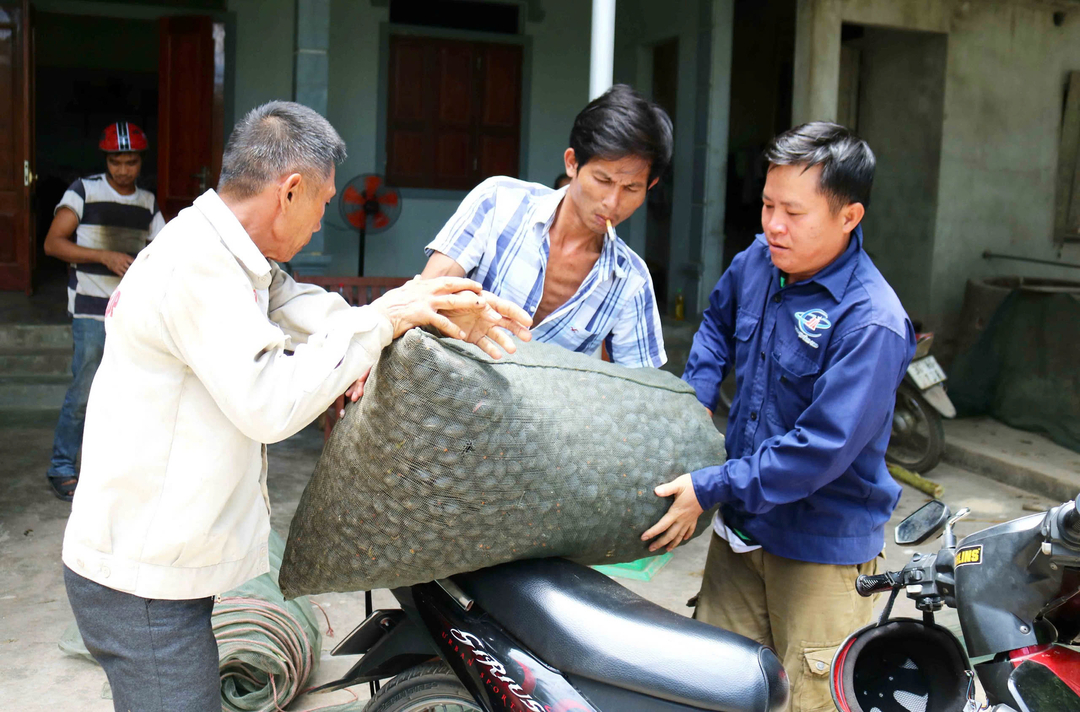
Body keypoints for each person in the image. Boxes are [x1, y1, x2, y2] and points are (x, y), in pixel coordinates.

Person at [61, 101, 532, 712]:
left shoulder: (239, 260)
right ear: (289, 191)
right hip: (139, 580)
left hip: (160, 568)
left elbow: (313, 312)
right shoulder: (196, 265)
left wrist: (413, 312)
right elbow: (270, 404)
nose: (321, 221)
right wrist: (380, 325)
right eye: (324, 201)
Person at [642, 123, 917, 711]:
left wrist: (709, 484)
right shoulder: (759, 262)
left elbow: (816, 450)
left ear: (849, 216)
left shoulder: (870, 322)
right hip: (742, 533)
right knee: (715, 690)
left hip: (820, 551)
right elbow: (716, 323)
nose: (773, 225)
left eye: (793, 211)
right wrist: (695, 401)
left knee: (809, 700)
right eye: (767, 205)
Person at [421, 84, 670, 368]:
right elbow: (423, 299)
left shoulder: (631, 282)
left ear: (650, 186)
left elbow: (639, 389)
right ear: (572, 163)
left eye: (631, 188)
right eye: (603, 181)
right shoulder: (498, 203)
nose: (612, 203)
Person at [42, 121, 165, 501]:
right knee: (84, 389)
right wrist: (104, 256)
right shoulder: (83, 191)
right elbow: (53, 244)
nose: (123, 170)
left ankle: (112, 473)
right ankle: (61, 466)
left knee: (129, 393)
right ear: (106, 160)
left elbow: (165, 252)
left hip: (130, 313)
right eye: (116, 161)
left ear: (140, 162)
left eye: (130, 162)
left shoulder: (147, 203)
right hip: (90, 308)